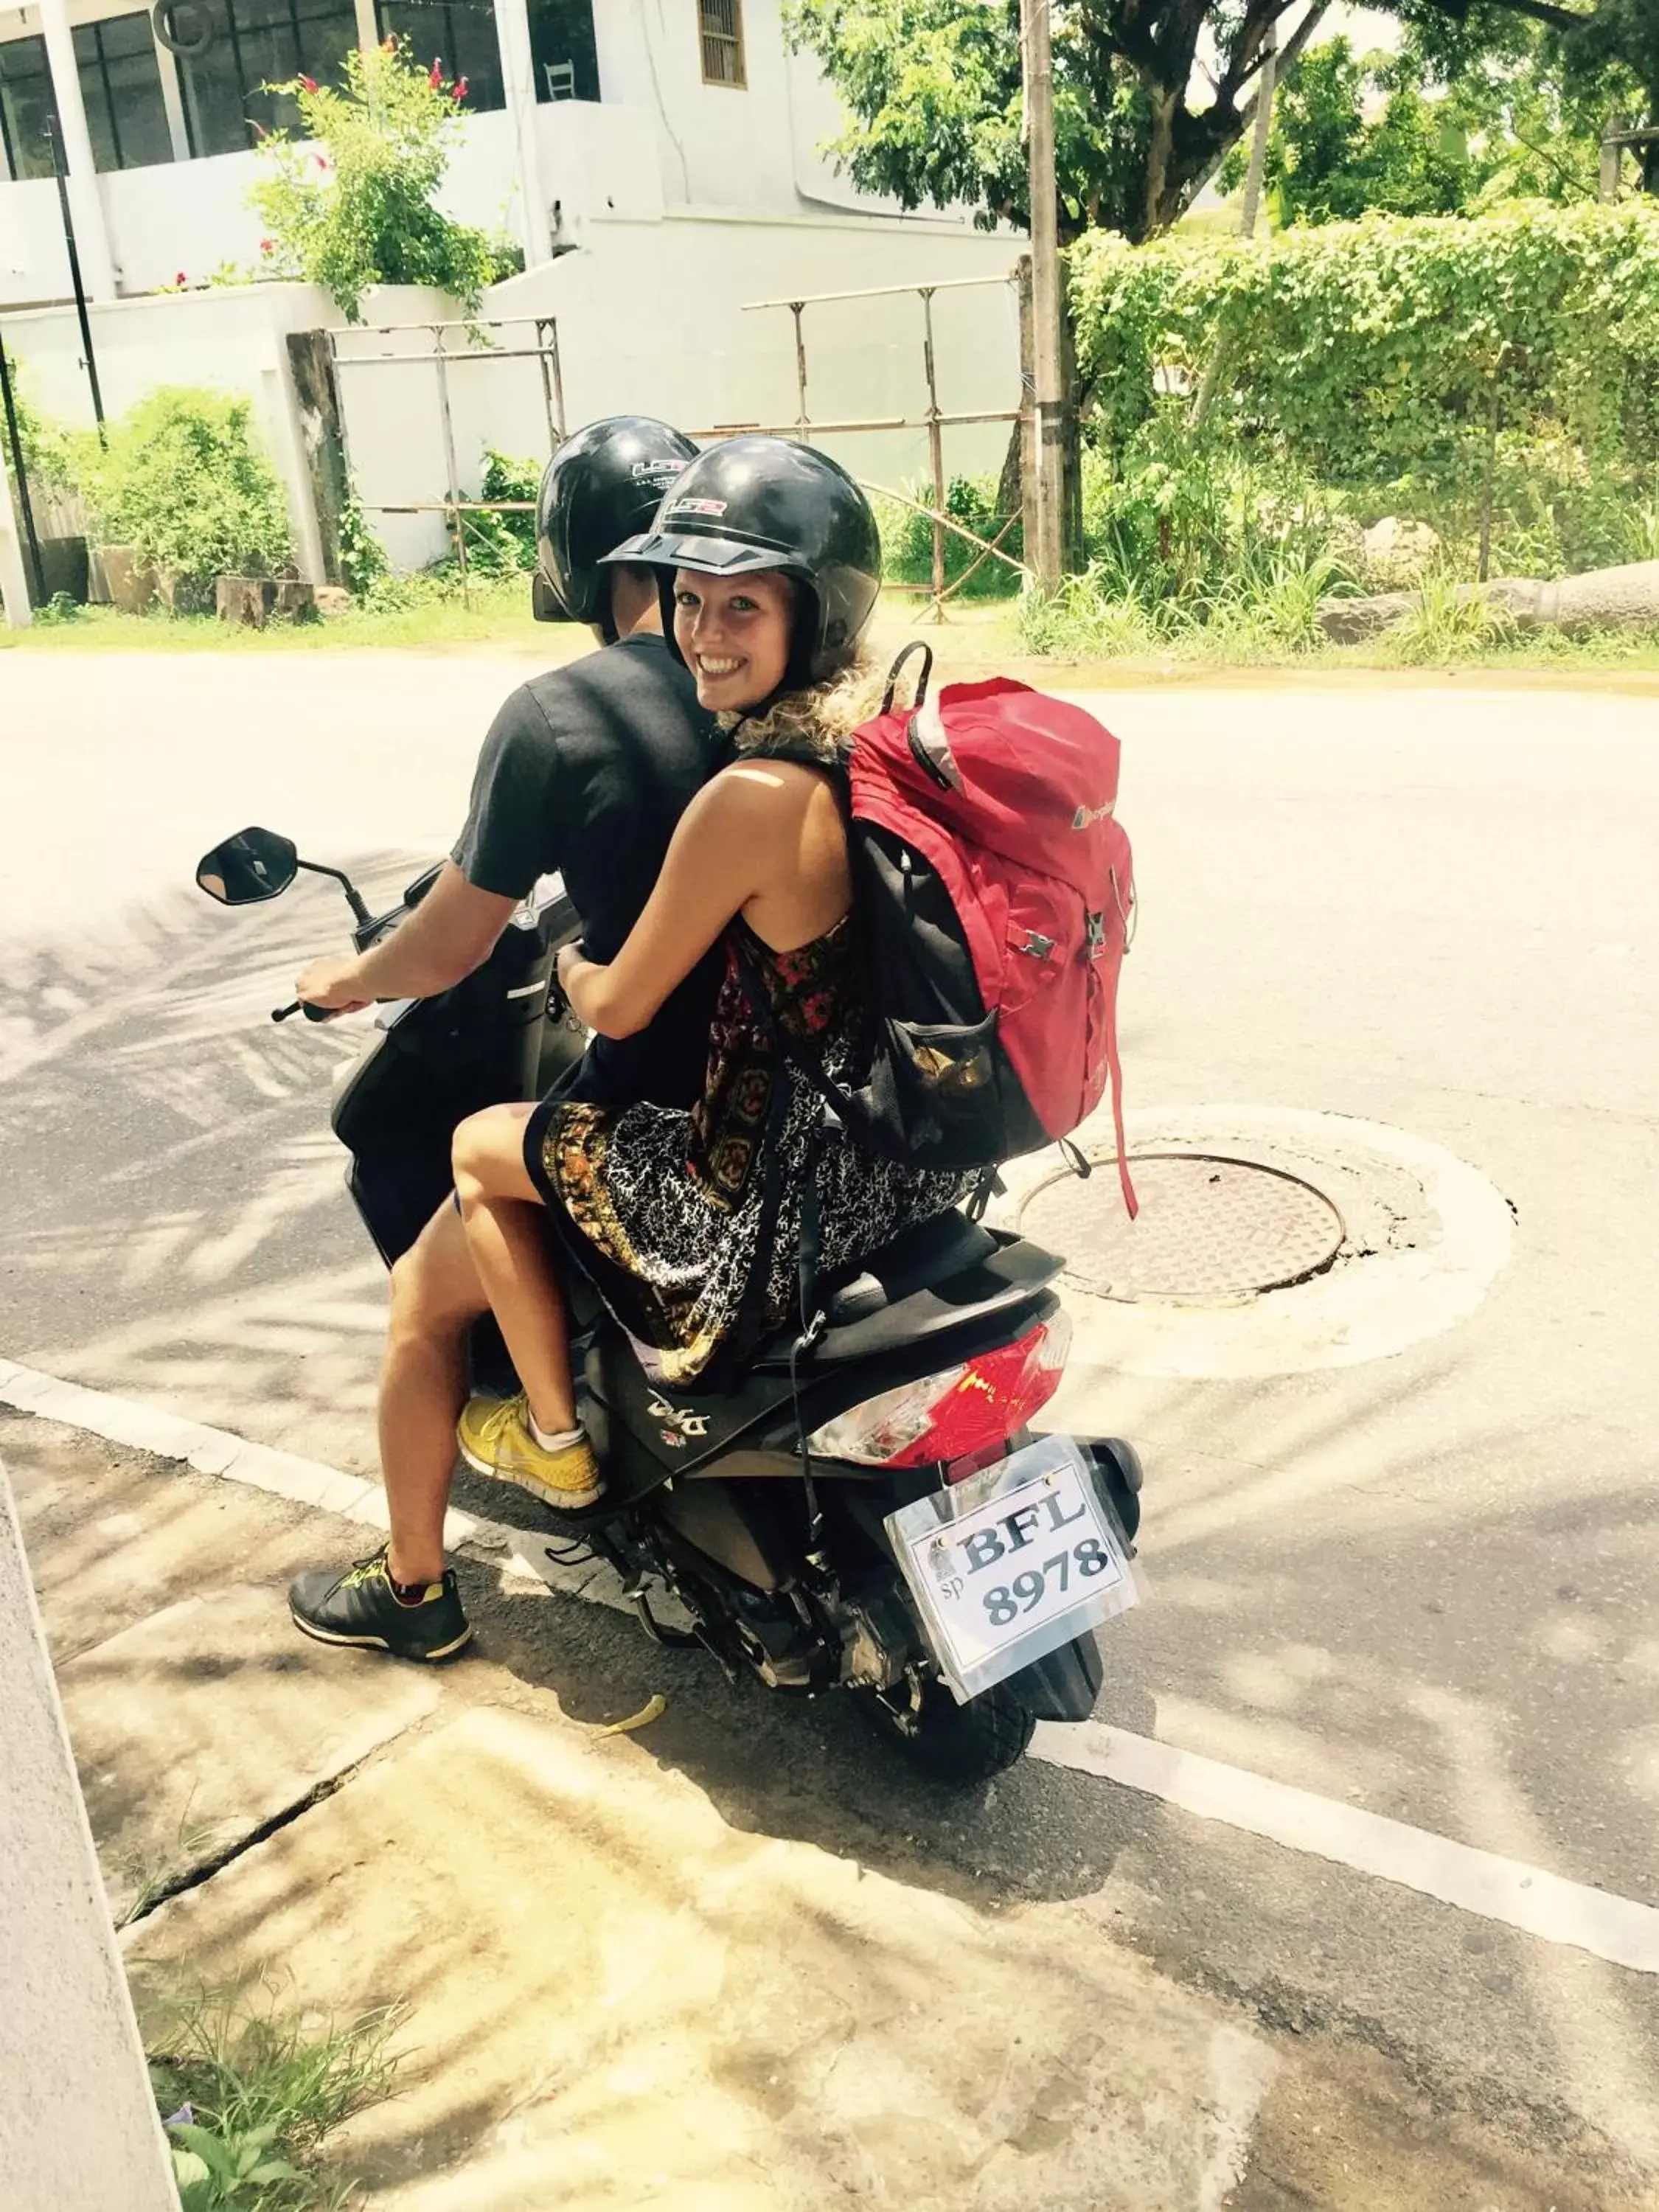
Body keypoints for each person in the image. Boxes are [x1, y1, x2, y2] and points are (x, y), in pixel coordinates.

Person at [445, 436, 973, 1512]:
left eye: (743, 608)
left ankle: (553, 1441)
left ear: (811, 616)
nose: (703, 634)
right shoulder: (882, 747)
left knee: (475, 1147)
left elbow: (623, 1001)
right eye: (689, 602)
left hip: (771, 1199)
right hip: (907, 1162)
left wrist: (576, 962)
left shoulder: (754, 796)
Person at [285, 415, 724, 1662]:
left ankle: (418, 1588)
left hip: (663, 1118)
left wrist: (351, 979)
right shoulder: (793, 692)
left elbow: (451, 945)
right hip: (815, 1094)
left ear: (580, 563)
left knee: (426, 1298)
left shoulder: (560, 715)